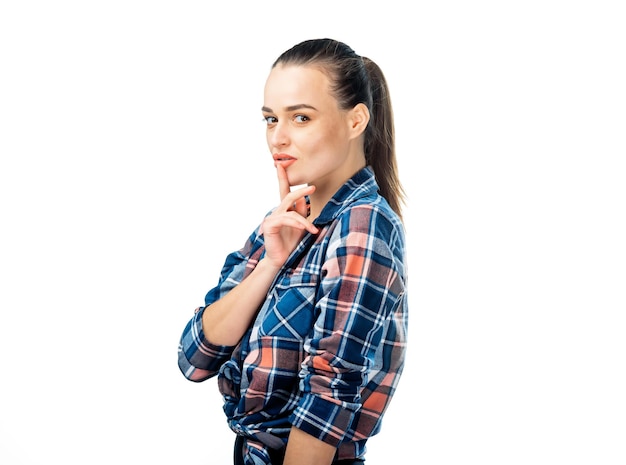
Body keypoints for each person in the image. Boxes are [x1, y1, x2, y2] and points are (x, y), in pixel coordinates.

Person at [178, 38, 408, 465]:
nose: (278, 139)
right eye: (270, 119)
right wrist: (270, 263)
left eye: (301, 117)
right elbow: (194, 356)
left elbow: (329, 396)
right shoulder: (284, 224)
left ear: (356, 120)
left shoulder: (362, 225)